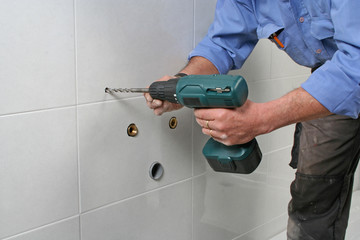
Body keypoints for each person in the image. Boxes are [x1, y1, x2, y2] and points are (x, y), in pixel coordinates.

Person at [144, 1, 360, 239]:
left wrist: (261, 119)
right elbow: (222, 44)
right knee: (313, 200)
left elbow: (356, 64)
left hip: (351, 68)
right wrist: (183, 83)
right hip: (330, 79)